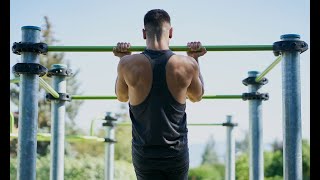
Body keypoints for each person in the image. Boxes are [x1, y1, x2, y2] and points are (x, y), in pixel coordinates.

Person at [113, 9, 206, 180]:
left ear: (143, 33)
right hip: (175, 152)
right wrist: (195, 59)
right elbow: (196, 96)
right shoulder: (187, 64)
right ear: (171, 32)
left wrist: (122, 59)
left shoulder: (128, 64)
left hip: (144, 153)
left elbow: (122, 96)